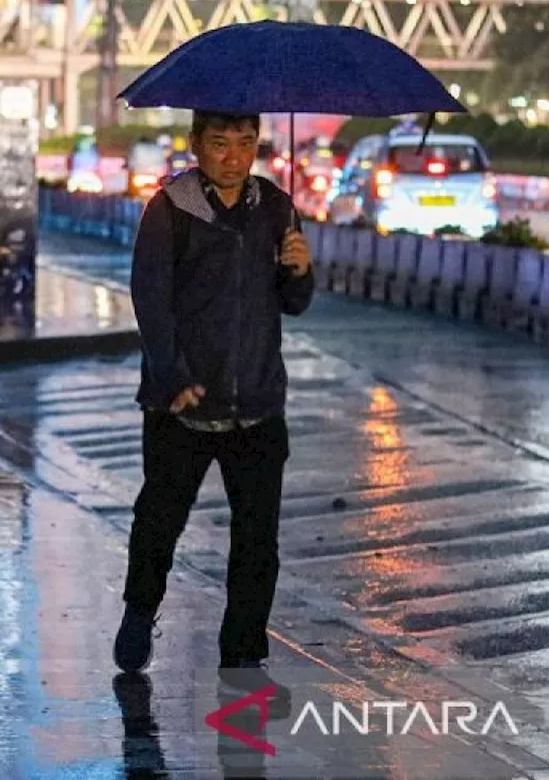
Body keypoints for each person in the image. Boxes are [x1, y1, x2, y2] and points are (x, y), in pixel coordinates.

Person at [113, 111, 314, 700]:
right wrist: (172, 377)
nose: (233, 156)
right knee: (159, 520)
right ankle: (139, 609)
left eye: (245, 143)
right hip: (184, 403)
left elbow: (292, 302)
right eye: (220, 144)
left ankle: (243, 655)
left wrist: (300, 272)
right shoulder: (170, 210)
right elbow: (149, 300)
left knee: (258, 541)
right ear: (197, 145)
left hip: (257, 404)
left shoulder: (275, 208)